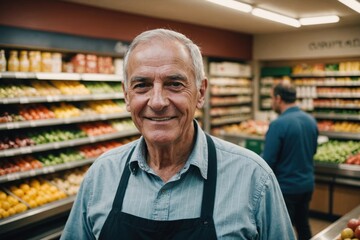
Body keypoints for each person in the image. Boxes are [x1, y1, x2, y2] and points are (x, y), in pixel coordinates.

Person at [61, 28, 295, 239]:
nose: (158, 102)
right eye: (141, 85)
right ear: (126, 96)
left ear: (201, 92)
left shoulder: (254, 178)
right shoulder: (101, 175)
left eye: (174, 84)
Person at [262, 82, 318, 240]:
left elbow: (268, 161)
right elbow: (313, 151)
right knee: (303, 225)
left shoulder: (278, 124)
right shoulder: (310, 120)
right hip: (307, 185)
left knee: (281, 231)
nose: (272, 101)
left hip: (286, 188)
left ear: (278, 99)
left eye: (271, 98)